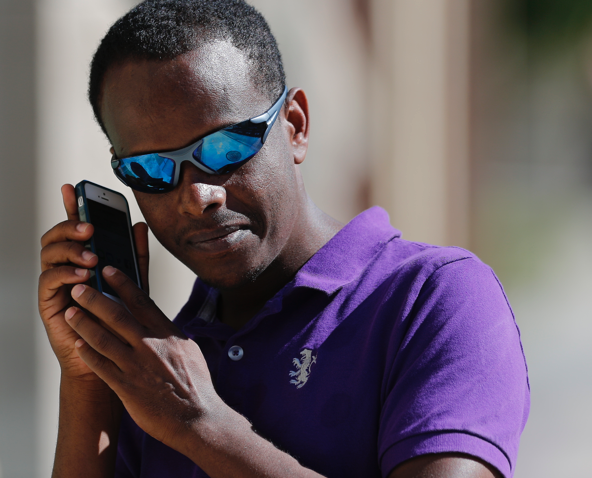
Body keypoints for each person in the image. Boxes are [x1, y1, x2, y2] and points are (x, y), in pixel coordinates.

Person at [36, 1, 530, 477]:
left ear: (294, 126)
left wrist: (201, 424)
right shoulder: (158, 361)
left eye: (226, 146)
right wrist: (89, 378)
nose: (197, 196)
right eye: (151, 169)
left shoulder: (434, 298)